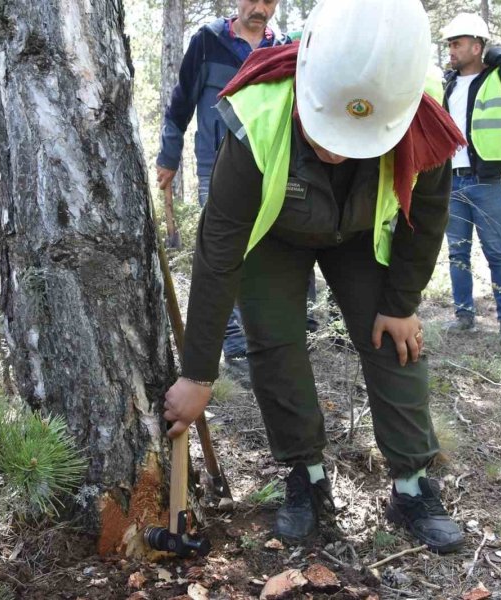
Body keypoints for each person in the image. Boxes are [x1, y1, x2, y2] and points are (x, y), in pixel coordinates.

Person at [162, 0, 467, 553]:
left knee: (394, 341)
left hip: (356, 236)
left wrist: (401, 303)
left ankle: (413, 484)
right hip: (274, 236)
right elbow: (218, 251)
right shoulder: (258, 115)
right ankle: (306, 475)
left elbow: (427, 220)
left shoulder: (421, 119)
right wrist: (199, 374)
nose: (335, 151)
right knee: (275, 344)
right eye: (326, 133)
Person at [156, 0, 290, 362]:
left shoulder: (283, 46)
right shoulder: (208, 40)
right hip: (215, 164)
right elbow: (181, 101)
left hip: (270, 165)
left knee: (267, 248)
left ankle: (266, 333)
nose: (260, 7)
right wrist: (169, 156)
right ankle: (232, 343)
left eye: (269, 1)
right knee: (221, 248)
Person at [439, 14, 501, 342]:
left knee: (496, 252)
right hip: (452, 181)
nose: (451, 49)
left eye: (457, 43)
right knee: (457, 252)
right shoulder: (448, 82)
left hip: (485, 180)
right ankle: (464, 317)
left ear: (476, 46)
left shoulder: (500, 78)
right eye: (449, 44)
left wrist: (483, 53)